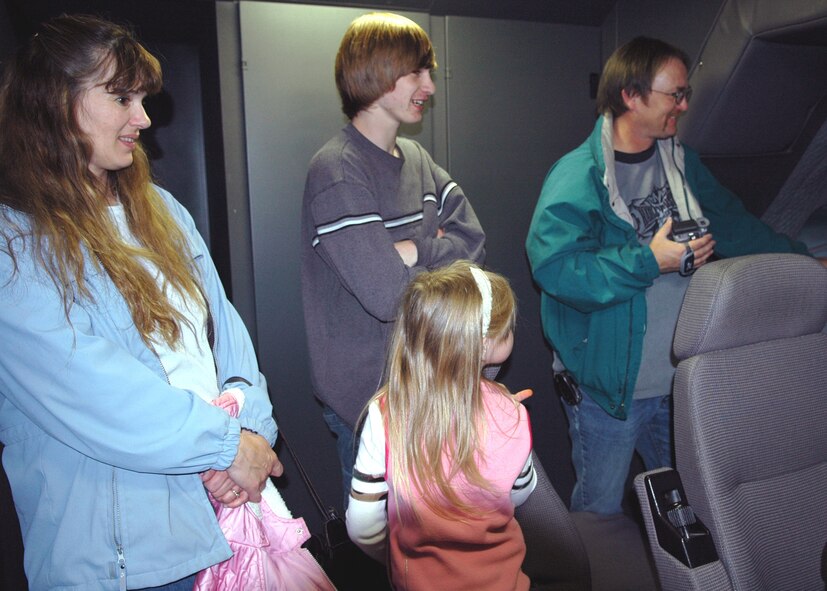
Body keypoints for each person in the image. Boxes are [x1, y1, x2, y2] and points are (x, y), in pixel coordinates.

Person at [0, 15, 282, 590]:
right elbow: (96, 390)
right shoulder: (15, 241)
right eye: (121, 97)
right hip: (123, 559)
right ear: (55, 100)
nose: (144, 118)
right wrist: (229, 446)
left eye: (142, 98)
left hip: (225, 517)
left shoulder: (161, 209)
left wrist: (252, 430)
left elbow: (226, 334)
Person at [525, 36, 822, 516]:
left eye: (686, 94)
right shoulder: (578, 176)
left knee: (689, 509)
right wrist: (650, 260)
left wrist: (805, 263)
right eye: (674, 95)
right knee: (600, 515)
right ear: (631, 96)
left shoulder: (682, 162)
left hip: (681, 382)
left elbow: (737, 227)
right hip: (610, 394)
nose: (683, 106)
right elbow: (556, 270)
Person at [300, 12, 486, 502]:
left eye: (431, 71)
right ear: (375, 72)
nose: (429, 85)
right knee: (383, 558)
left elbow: (474, 242)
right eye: (416, 72)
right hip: (372, 403)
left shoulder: (417, 160)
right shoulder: (337, 171)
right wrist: (429, 259)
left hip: (427, 391)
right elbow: (387, 295)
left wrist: (414, 251)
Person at [345, 261, 537, 591]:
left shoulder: (385, 413)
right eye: (505, 330)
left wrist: (396, 558)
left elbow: (362, 527)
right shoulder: (513, 414)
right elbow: (520, 494)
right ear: (484, 346)